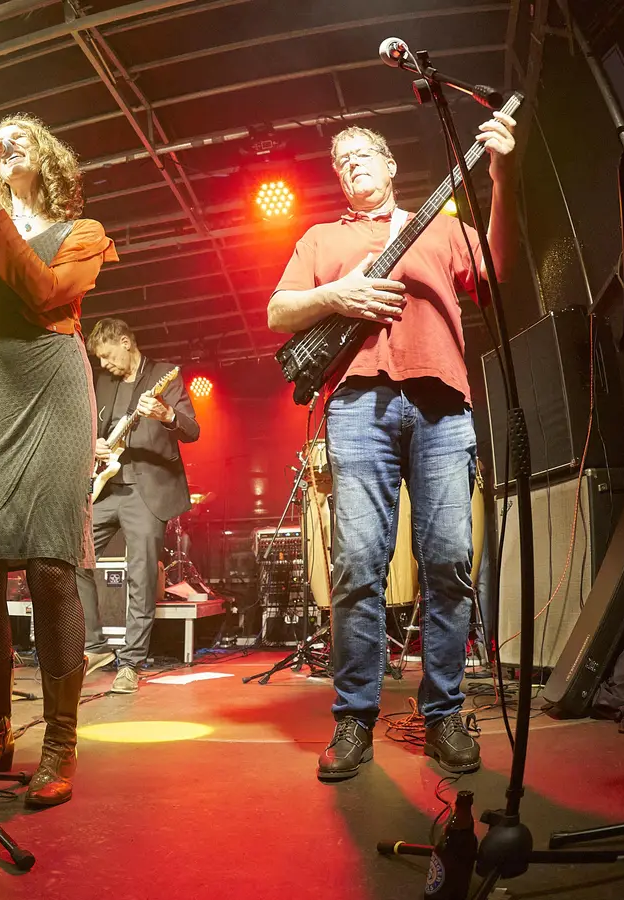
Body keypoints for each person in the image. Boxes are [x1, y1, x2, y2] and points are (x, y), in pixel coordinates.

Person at [266, 112, 517, 782]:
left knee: (450, 562)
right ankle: (354, 718)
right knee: (356, 566)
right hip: (356, 406)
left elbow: (497, 271)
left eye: (363, 154)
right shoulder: (321, 237)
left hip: (442, 400)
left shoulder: (440, 224)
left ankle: (443, 715)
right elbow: (276, 311)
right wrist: (338, 294)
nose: (351, 164)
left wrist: (502, 175)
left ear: (391, 165)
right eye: (340, 160)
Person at [0, 113, 118, 808]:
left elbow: (47, 294)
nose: (3, 137)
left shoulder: (82, 233)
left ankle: (61, 742)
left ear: (47, 157)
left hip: (52, 388)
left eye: (19, 133)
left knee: (50, 568)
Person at [76, 317, 200, 693]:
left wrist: (166, 415)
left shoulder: (164, 376)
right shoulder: (103, 383)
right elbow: (91, 430)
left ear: (126, 342)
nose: (104, 365)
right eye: (98, 359)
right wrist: (92, 444)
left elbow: (192, 430)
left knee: (141, 574)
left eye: (107, 356)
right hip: (106, 489)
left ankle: (131, 662)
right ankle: (95, 646)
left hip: (146, 493)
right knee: (74, 557)